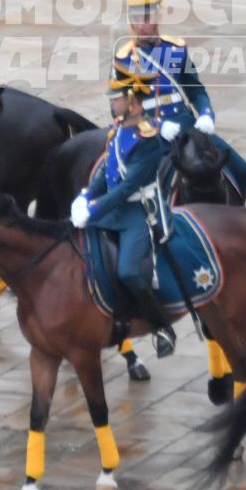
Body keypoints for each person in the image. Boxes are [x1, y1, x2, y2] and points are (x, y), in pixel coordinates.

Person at [113, 0, 246, 193]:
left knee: (240, 169)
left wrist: (206, 114)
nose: (141, 24)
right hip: (149, 135)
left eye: (146, 17)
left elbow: (195, 90)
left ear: (157, 15)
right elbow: (120, 114)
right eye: (135, 18)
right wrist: (157, 125)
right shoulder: (124, 59)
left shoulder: (176, 49)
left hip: (186, 126)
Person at [70, 69, 178, 353]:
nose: (112, 103)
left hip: (137, 212)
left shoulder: (148, 139)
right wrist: (86, 195)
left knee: (129, 271)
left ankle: (161, 327)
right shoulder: (119, 130)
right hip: (114, 208)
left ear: (133, 103)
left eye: (116, 98)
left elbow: (127, 187)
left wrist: (93, 211)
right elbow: (106, 170)